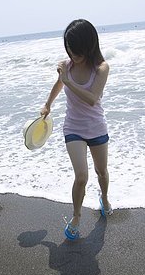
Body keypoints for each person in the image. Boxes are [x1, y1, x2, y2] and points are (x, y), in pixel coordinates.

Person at [40, 19, 113, 241]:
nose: (72, 56)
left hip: (96, 127)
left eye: (76, 51)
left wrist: (67, 81)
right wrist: (48, 104)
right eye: (69, 51)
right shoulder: (67, 66)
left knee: (102, 172)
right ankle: (76, 216)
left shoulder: (101, 68)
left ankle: (105, 198)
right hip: (73, 127)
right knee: (81, 176)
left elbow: (92, 98)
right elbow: (58, 85)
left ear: (89, 46)